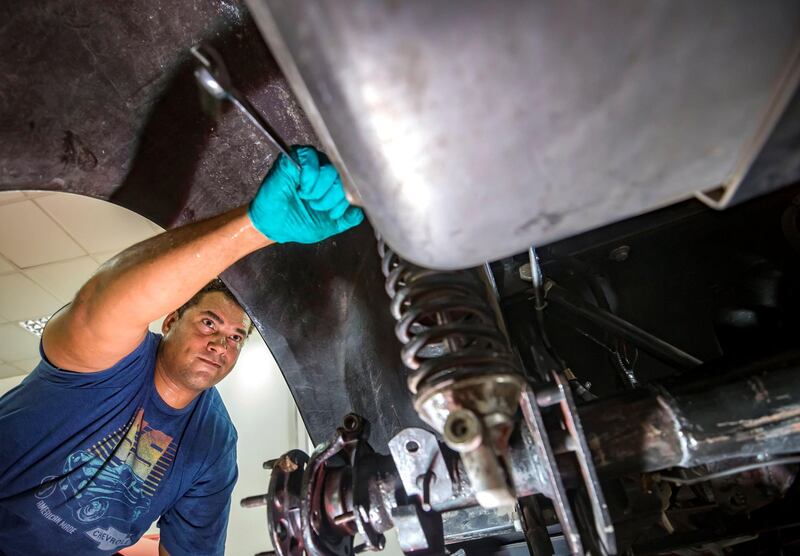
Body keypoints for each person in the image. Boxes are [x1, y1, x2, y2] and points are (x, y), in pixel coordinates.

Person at [0, 146, 363, 555]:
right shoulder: (114, 363)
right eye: (209, 322)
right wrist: (256, 227)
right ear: (171, 320)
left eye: (235, 337)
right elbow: (102, 301)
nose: (220, 344)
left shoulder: (214, 441)